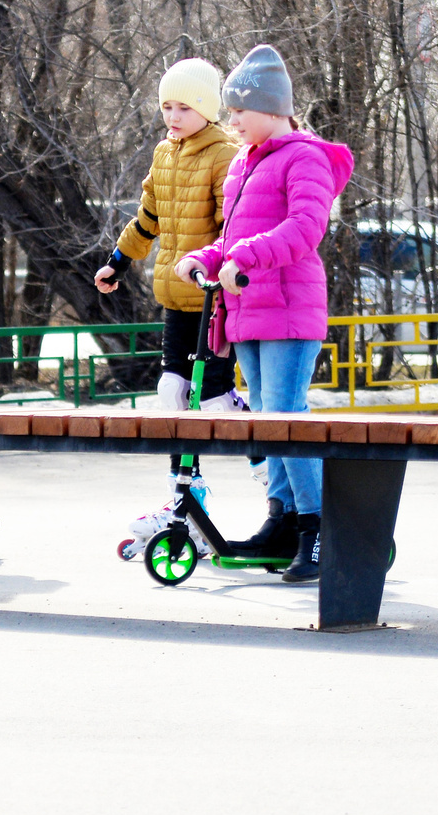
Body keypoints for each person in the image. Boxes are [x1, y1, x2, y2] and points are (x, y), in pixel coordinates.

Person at [174, 46, 355, 584]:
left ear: (272, 109)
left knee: (285, 418)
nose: (231, 122)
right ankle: (283, 520)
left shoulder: (305, 158)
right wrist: (205, 258)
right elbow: (234, 238)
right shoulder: (243, 161)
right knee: (266, 423)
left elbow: (305, 228)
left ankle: (319, 527)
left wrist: (244, 259)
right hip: (247, 310)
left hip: (290, 309)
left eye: (238, 111)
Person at [95, 56, 240, 413]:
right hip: (175, 293)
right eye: (167, 107)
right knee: (171, 389)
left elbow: (233, 228)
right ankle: (184, 453)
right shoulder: (164, 153)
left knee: (213, 397)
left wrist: (227, 269)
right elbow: (149, 217)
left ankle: (248, 444)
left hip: (214, 299)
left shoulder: (225, 155)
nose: (173, 116)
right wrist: (118, 262)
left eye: (184, 108)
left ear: (207, 109)